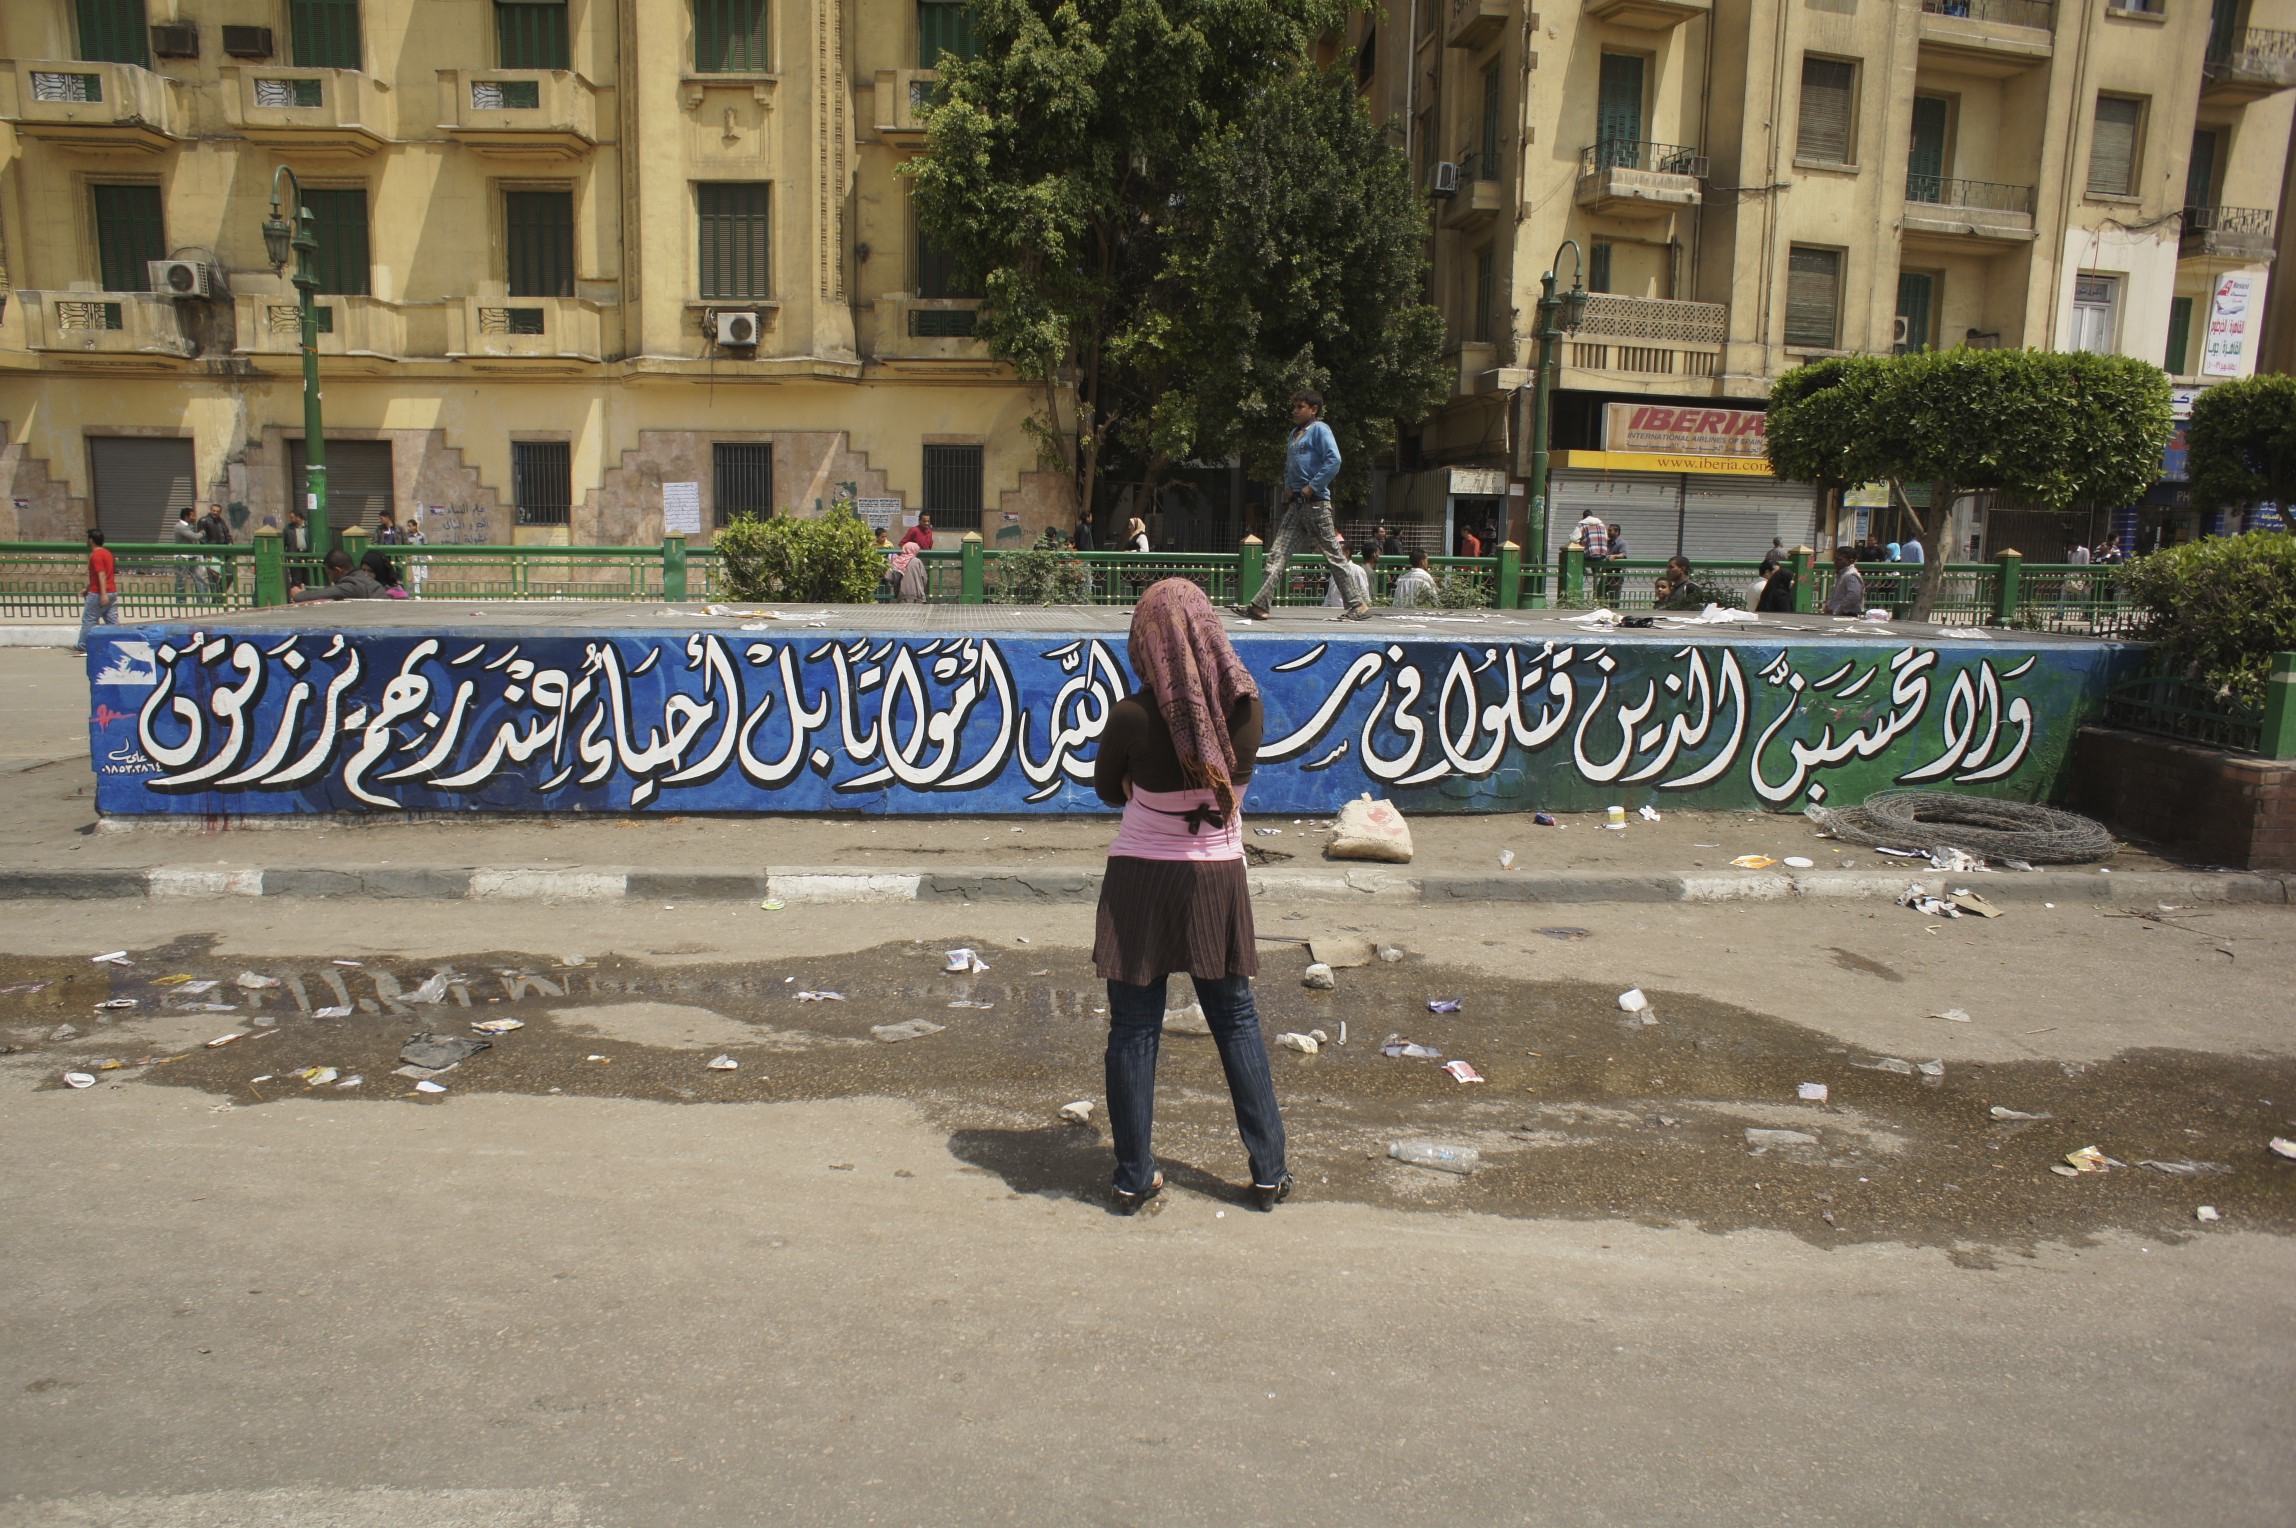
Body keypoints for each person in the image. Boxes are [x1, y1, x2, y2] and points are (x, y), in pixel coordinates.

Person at [1092, 578, 1289, 1214]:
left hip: (1139, 880)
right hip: (1215, 877)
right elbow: (1231, 779)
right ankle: (1268, 1173)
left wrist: (1136, 780)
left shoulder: (1130, 716)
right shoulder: (1247, 709)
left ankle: (1132, 1177)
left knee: (1133, 1025)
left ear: (1147, 640)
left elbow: (1105, 790)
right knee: (1234, 1017)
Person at [1236, 389, 1370, 621]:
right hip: (1296, 506)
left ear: (1314, 409)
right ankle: (1260, 605)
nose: (1295, 411)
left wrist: (1312, 487)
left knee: (1333, 556)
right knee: (1277, 555)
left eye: (1300, 407)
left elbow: (1334, 460)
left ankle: (1357, 605)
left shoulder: (1320, 429)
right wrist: (1288, 485)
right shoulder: (1293, 434)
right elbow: (1290, 466)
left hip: (1316, 504)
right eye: (1294, 407)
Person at [75, 529, 119, 654]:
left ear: (91, 540)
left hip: (99, 593)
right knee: (112, 621)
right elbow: (98, 576)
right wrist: (87, 588)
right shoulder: (108, 553)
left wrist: (103, 594)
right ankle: (119, 641)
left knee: (89, 620)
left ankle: (84, 645)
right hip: (112, 591)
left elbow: (101, 574)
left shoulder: (96, 555)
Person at [1656, 554, 1746, 611]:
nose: (1668, 570)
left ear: (1682, 569)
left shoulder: (1690, 588)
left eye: (1671, 567)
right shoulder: (1673, 589)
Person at [291, 549, 386, 602]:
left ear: (338, 570)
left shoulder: (352, 585)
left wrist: (299, 594)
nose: (329, 577)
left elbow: (326, 593)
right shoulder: (364, 579)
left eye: (328, 573)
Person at [172, 505, 206, 600]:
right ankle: (181, 601)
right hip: (182, 557)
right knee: (181, 579)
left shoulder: (188, 526)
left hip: (190, 556)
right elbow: (194, 537)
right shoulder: (180, 527)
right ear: (186, 516)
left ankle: (202, 600)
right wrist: (202, 533)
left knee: (198, 577)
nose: (194, 517)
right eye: (192, 515)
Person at [1824, 544, 1866, 616]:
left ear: (1850, 561)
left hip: (1847, 614)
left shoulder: (1851, 575)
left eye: (1839, 560)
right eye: (1835, 559)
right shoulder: (1842, 574)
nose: (1836, 562)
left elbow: (1853, 596)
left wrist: (1837, 609)